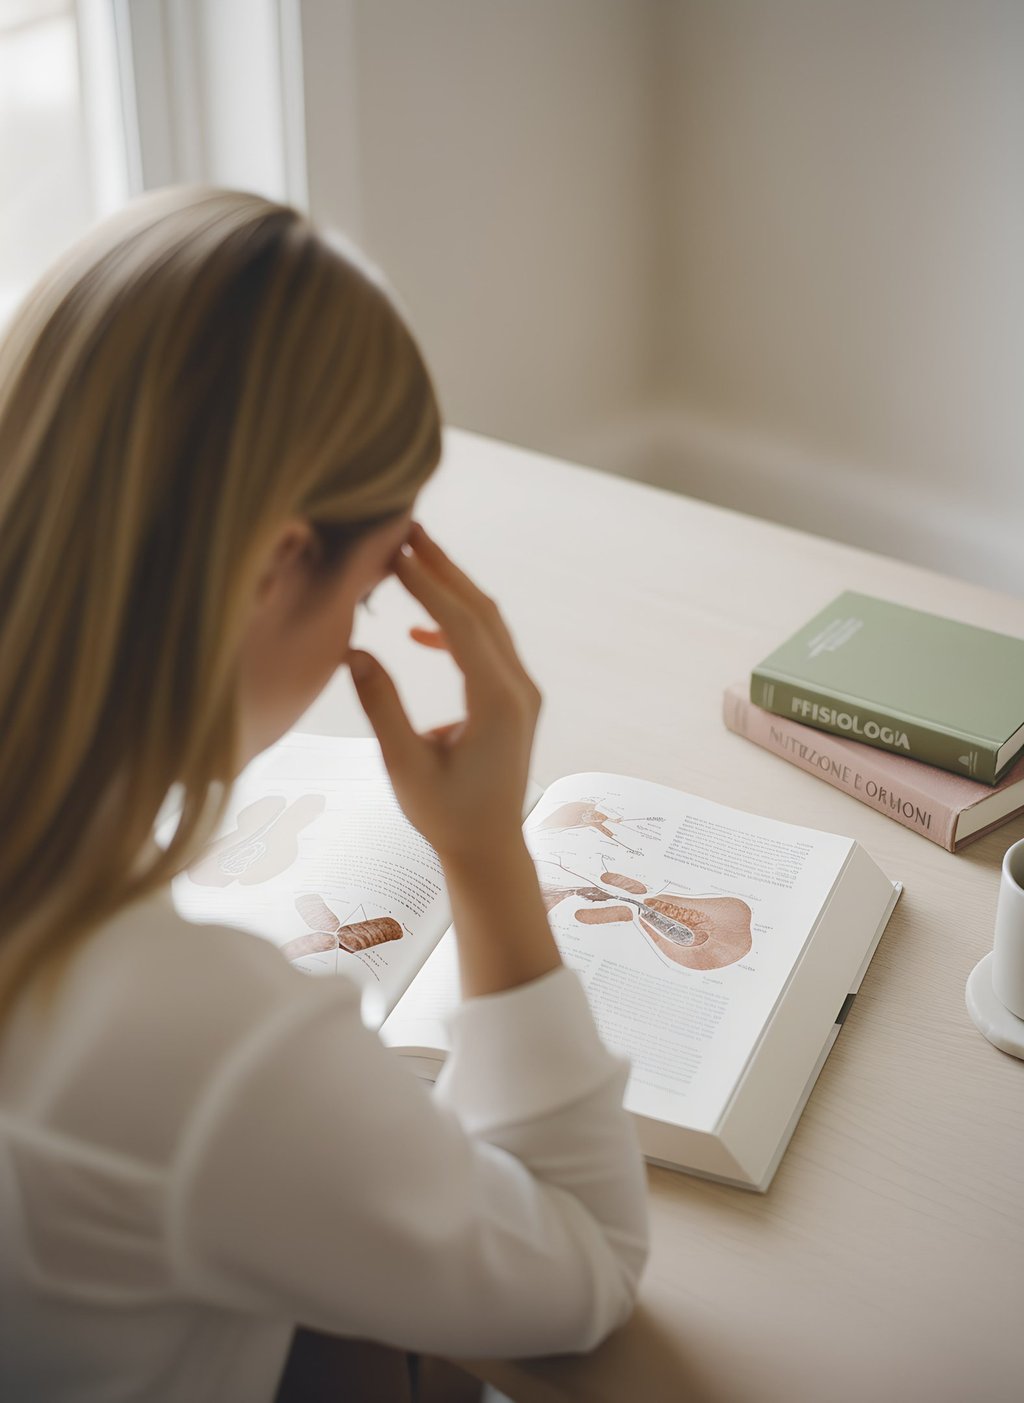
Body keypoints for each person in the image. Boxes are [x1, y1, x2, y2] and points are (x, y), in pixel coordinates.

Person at [0, 187, 649, 1402]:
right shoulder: (193, 1044)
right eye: (361, 596)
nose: (357, 636)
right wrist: (487, 853)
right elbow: (587, 1267)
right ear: (269, 567)